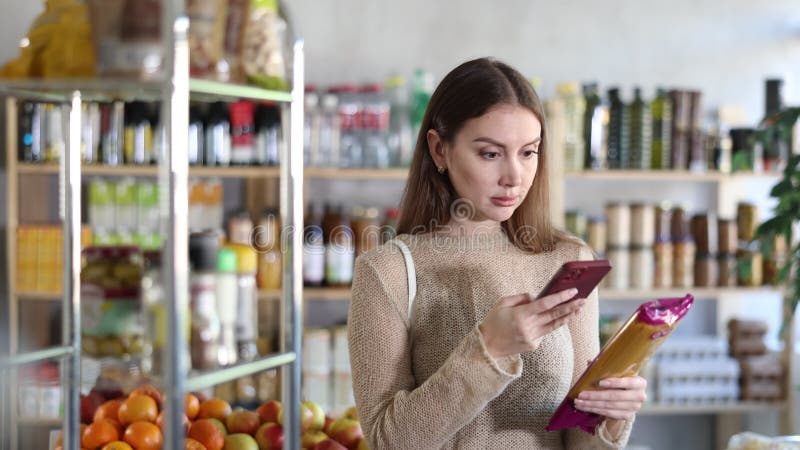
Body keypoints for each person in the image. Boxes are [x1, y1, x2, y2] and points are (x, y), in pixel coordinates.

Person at [348, 58, 645, 449]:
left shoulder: (568, 259)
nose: (514, 176)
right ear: (439, 150)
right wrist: (488, 350)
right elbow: (388, 441)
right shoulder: (389, 272)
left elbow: (576, 442)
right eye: (490, 154)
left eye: (528, 152)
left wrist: (608, 415)